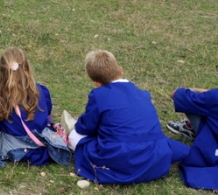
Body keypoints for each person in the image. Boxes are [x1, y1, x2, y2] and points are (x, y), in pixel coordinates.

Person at [68, 50, 189, 184]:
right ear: (121, 70)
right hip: (155, 156)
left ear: (96, 82)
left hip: (120, 155)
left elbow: (85, 128)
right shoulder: (143, 95)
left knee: (74, 136)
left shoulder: (98, 95)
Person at [0, 47, 70, 166]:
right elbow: (48, 112)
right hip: (39, 139)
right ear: (27, 68)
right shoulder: (41, 91)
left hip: (13, 144)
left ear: (1, 71)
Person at [168, 87, 218, 189]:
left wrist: (194, 90)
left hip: (213, 151)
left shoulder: (214, 97)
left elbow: (175, 94)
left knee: (196, 101)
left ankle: (192, 128)